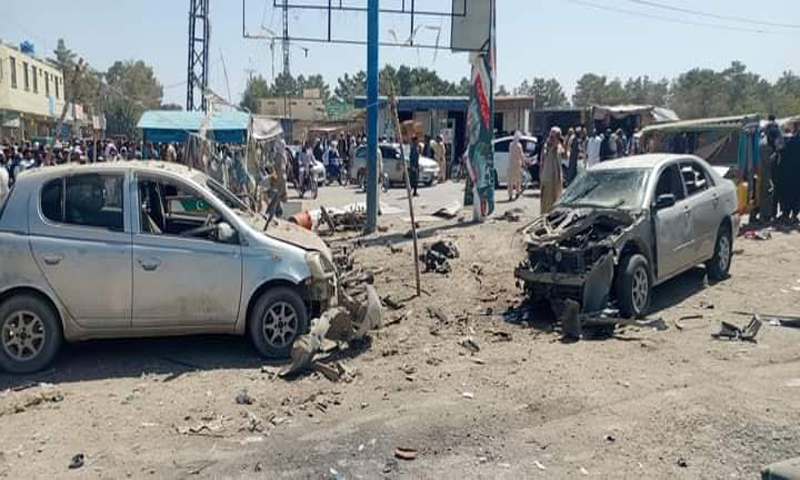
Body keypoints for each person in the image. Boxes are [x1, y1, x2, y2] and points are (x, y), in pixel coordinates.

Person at [540, 127, 565, 214]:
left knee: (556, 201)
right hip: (548, 179)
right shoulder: (546, 147)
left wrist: (564, 143)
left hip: (557, 179)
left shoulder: (559, 147)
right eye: (554, 136)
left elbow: (565, 155)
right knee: (547, 203)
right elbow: (544, 157)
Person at [508, 131, 526, 201]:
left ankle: (510, 195)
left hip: (510, 164)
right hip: (517, 165)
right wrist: (524, 163)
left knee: (510, 181)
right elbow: (521, 155)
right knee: (518, 180)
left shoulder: (510, 145)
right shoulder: (519, 146)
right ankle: (517, 193)